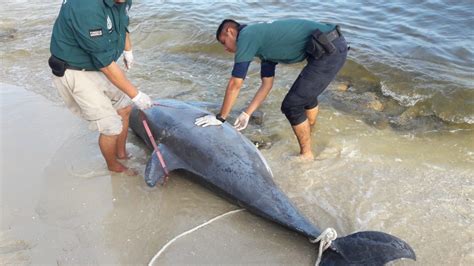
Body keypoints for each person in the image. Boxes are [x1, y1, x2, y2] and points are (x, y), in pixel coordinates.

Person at [195, 19, 348, 160]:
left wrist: (220, 117)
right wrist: (246, 114)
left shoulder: (247, 36)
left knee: (292, 105)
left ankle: (306, 155)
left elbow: (235, 83)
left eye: (224, 42)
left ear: (230, 31)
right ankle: (310, 131)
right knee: (306, 96)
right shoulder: (262, 47)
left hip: (329, 48)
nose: (226, 49)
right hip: (327, 47)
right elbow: (266, 84)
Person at [49, 0, 152, 173]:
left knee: (125, 108)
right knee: (110, 126)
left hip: (97, 64)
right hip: (74, 69)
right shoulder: (85, 6)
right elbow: (104, 62)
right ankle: (113, 166)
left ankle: (122, 153)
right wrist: (137, 95)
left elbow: (123, 24)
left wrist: (128, 50)